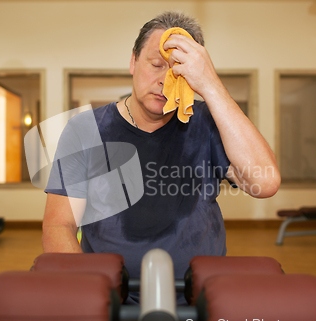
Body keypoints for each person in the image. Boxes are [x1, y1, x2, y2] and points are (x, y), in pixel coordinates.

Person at [42, 11, 280, 305]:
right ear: (133, 62)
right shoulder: (86, 129)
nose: (164, 81)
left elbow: (266, 182)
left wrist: (210, 85)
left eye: (178, 70)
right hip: (111, 300)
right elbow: (59, 225)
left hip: (200, 298)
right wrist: (88, 292)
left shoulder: (208, 122)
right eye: (156, 65)